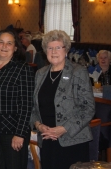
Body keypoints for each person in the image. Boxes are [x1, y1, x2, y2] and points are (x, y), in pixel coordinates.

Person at [30, 30, 95, 169]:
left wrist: (64, 128)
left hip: (72, 140)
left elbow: (88, 108)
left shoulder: (78, 72)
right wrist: (38, 125)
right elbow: (33, 107)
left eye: (58, 47)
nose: (54, 51)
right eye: (50, 48)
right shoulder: (40, 74)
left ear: (66, 50)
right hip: (47, 139)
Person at [0, 29, 34, 169]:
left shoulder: (22, 69)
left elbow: (27, 104)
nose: (4, 46)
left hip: (12, 132)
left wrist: (20, 134)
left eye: (9, 43)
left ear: (15, 47)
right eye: (1, 42)